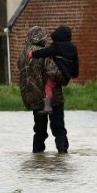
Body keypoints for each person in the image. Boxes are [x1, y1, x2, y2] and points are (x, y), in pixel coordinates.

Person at [17, 26, 70, 154]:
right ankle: (62, 155)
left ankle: (37, 154)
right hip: (52, 99)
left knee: (39, 130)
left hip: (34, 99)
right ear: (42, 38)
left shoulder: (23, 55)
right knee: (58, 128)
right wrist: (65, 77)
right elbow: (54, 73)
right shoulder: (45, 53)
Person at [27, 25, 79, 114]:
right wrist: (74, 75)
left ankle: (47, 107)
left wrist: (33, 54)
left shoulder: (57, 46)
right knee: (54, 86)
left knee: (48, 86)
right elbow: (76, 63)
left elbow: (45, 52)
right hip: (66, 77)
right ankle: (54, 103)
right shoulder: (73, 47)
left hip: (58, 74)